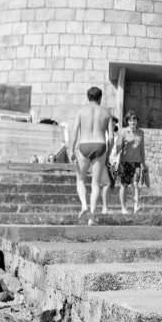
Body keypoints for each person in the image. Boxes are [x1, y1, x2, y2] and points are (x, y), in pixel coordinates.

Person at [69, 86, 114, 225]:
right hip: (100, 145)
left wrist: (71, 150)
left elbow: (74, 132)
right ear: (100, 98)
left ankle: (84, 206)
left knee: (81, 180)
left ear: (88, 97)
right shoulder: (106, 113)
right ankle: (91, 217)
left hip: (84, 145)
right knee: (96, 183)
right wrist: (108, 153)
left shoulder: (81, 111)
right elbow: (111, 137)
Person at [115, 111, 146, 214]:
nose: (132, 122)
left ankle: (136, 206)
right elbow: (118, 147)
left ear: (137, 121)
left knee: (136, 184)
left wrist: (144, 163)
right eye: (130, 120)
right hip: (125, 162)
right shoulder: (123, 132)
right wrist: (121, 147)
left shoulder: (141, 132)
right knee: (124, 185)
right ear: (127, 121)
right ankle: (123, 208)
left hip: (136, 162)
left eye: (134, 119)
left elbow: (142, 149)